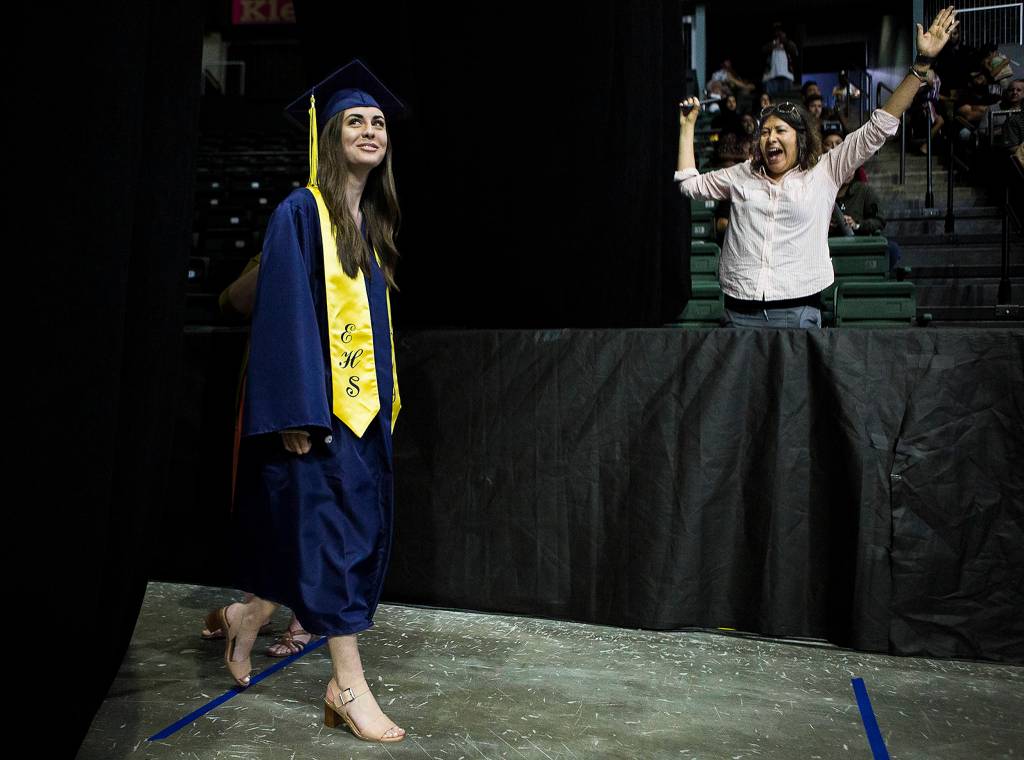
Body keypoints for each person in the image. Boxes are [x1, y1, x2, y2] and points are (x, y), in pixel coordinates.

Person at [218, 59, 406, 744]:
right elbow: (283, 313)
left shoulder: (373, 225)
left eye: (378, 122)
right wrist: (295, 410)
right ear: (329, 137)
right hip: (315, 415)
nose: (370, 129)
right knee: (331, 544)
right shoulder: (303, 211)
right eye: (355, 120)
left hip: (361, 417)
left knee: (336, 541)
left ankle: (247, 615)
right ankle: (346, 685)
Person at [676, 6, 960, 328]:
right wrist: (687, 127)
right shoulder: (742, 174)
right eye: (765, 131)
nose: (770, 137)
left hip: (798, 314)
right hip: (738, 313)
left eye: (780, 131)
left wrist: (921, 65)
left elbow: (879, 127)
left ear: (800, 139)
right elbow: (688, 184)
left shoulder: (825, 170)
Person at [762, 23, 799, 96]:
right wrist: (774, 43)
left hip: (787, 77)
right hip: (770, 77)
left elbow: (795, 52)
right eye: (776, 31)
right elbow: (763, 50)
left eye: (780, 31)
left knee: (786, 101)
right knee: (771, 102)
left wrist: (785, 41)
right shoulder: (769, 43)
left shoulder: (788, 43)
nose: (778, 33)